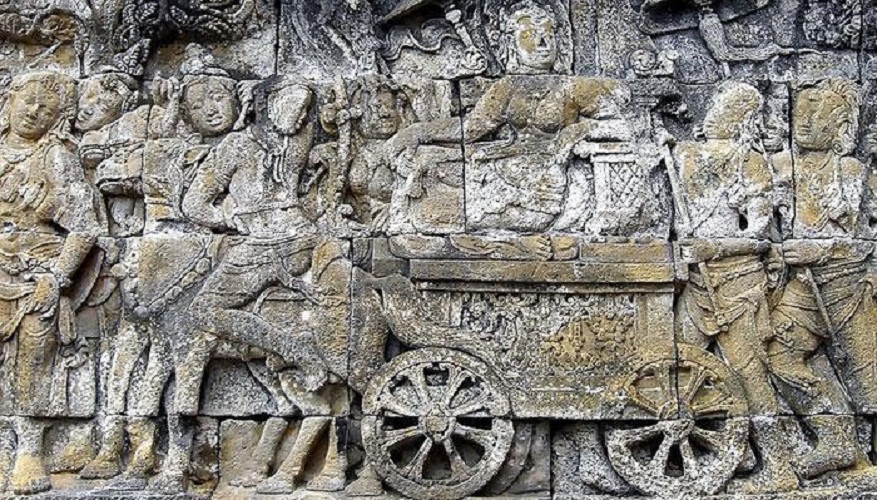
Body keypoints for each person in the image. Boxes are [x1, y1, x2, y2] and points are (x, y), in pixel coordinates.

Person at [673, 81, 796, 494]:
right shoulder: (683, 153)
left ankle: (779, 465)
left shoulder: (750, 161)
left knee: (749, 372)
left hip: (737, 280)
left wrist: (715, 247)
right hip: (695, 283)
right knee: (680, 363)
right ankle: (729, 444)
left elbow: (758, 233)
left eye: (728, 108)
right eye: (716, 104)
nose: (714, 113)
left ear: (745, 120)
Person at [769, 78, 877, 483]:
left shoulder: (851, 171)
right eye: (800, 110)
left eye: (818, 113)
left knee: (868, 378)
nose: (805, 120)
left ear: (841, 125)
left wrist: (822, 251)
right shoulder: (782, 166)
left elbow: (862, 238)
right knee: (777, 355)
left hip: (848, 285)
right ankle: (834, 437)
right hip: (802, 287)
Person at [0, 71, 101, 495]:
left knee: (34, 349)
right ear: (9, 99)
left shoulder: (55, 156)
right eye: (28, 100)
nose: (34, 111)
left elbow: (86, 226)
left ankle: (28, 447)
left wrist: (57, 278)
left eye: (46, 108)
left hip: (35, 275)